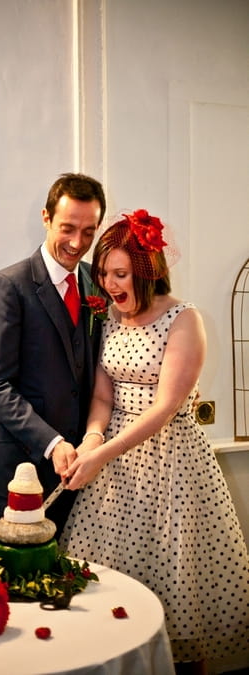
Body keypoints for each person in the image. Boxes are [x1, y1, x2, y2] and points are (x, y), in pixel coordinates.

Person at [59, 209, 249, 674]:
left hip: (172, 466)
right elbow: (104, 394)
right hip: (116, 470)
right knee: (106, 594)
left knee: (176, 590)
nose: (109, 284)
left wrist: (100, 453)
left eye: (120, 274)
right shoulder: (112, 319)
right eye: (104, 274)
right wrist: (91, 437)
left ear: (147, 271)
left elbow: (164, 408)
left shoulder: (185, 319)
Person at [0, 172, 106, 543]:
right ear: (46, 218)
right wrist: (52, 443)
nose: (77, 242)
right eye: (68, 227)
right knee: (12, 589)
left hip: (83, 470)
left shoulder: (98, 284)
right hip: (21, 471)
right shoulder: (6, 286)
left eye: (88, 231)